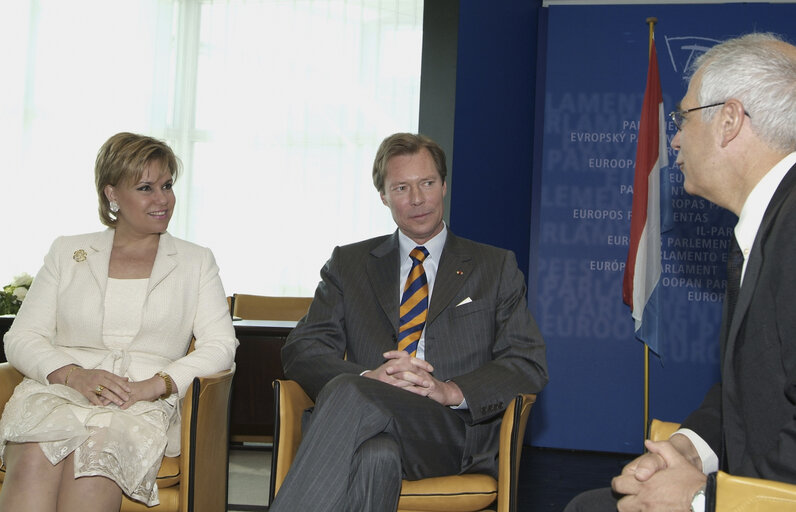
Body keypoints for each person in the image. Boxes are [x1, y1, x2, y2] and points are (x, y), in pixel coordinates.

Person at [565, 33, 796, 512]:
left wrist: (699, 499)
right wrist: (687, 450)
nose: (673, 138)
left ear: (729, 121)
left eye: (683, 117)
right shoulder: (770, 220)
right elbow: (754, 390)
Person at [269, 132, 548, 511]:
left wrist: (448, 390)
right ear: (383, 195)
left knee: (350, 393)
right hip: (367, 427)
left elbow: (527, 362)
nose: (417, 199)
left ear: (444, 186)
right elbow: (303, 348)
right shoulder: (349, 264)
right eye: (401, 187)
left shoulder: (494, 267)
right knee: (375, 455)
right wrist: (370, 380)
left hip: (452, 435)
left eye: (427, 184)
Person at [0, 132, 238, 511]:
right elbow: (21, 337)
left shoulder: (196, 261)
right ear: (112, 195)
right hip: (58, 393)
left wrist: (154, 386)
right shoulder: (68, 252)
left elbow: (221, 346)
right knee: (33, 457)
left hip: (137, 405)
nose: (163, 199)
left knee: (94, 466)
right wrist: (73, 375)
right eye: (146, 188)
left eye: (167, 185)